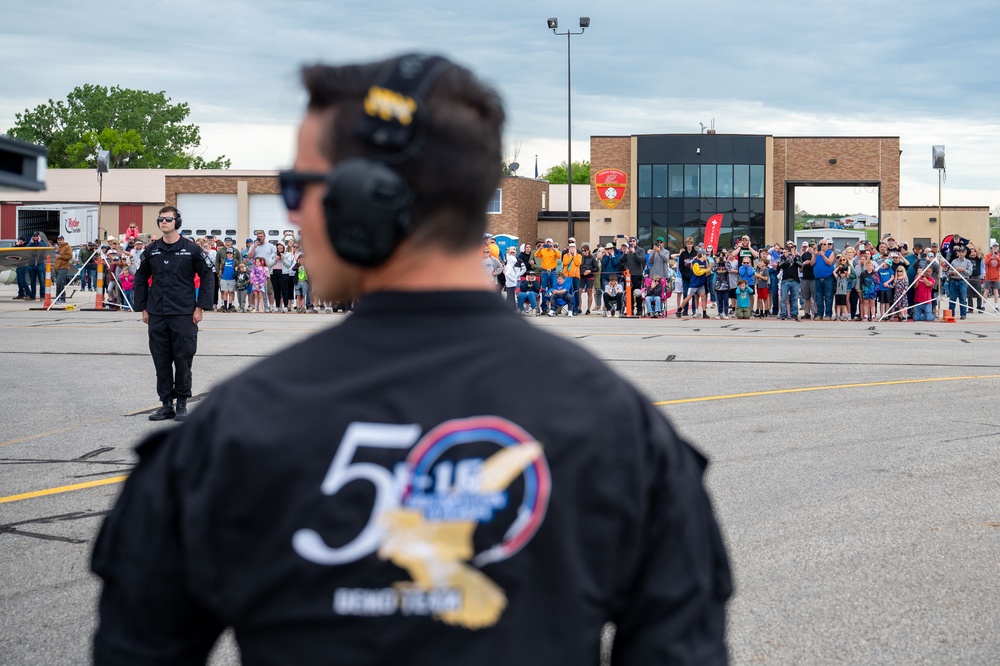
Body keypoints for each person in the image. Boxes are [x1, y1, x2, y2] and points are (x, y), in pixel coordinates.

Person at [91, 53, 731, 664]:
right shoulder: (622, 429)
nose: (290, 212)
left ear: (364, 199)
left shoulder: (235, 427)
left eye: (296, 187)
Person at [132, 205, 215, 422]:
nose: (164, 223)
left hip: (184, 313)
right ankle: (166, 404)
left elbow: (208, 276)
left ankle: (181, 404)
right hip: (157, 313)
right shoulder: (152, 250)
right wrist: (143, 307)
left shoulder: (192, 249)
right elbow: (140, 278)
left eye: (168, 219)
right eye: (161, 219)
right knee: (161, 359)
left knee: (183, 358)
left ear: (177, 222)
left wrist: (200, 307)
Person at [777, 242, 801, 321]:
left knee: (794, 298)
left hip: (795, 280)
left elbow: (800, 265)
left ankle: (794, 314)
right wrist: (785, 258)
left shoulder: (797, 257)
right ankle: (783, 314)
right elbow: (779, 266)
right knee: (783, 298)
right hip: (785, 280)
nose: (790, 249)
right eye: (788, 248)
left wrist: (794, 258)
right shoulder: (783, 257)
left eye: (792, 247)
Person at [52, 235, 72, 304]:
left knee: (59, 282)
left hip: (64, 267)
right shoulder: (57, 247)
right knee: (59, 284)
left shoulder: (67, 247)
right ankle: (58, 298)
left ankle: (62, 298)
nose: (59, 241)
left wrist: (60, 256)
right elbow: (55, 257)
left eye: (61, 240)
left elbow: (70, 256)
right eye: (58, 240)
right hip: (57, 267)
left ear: (63, 240)